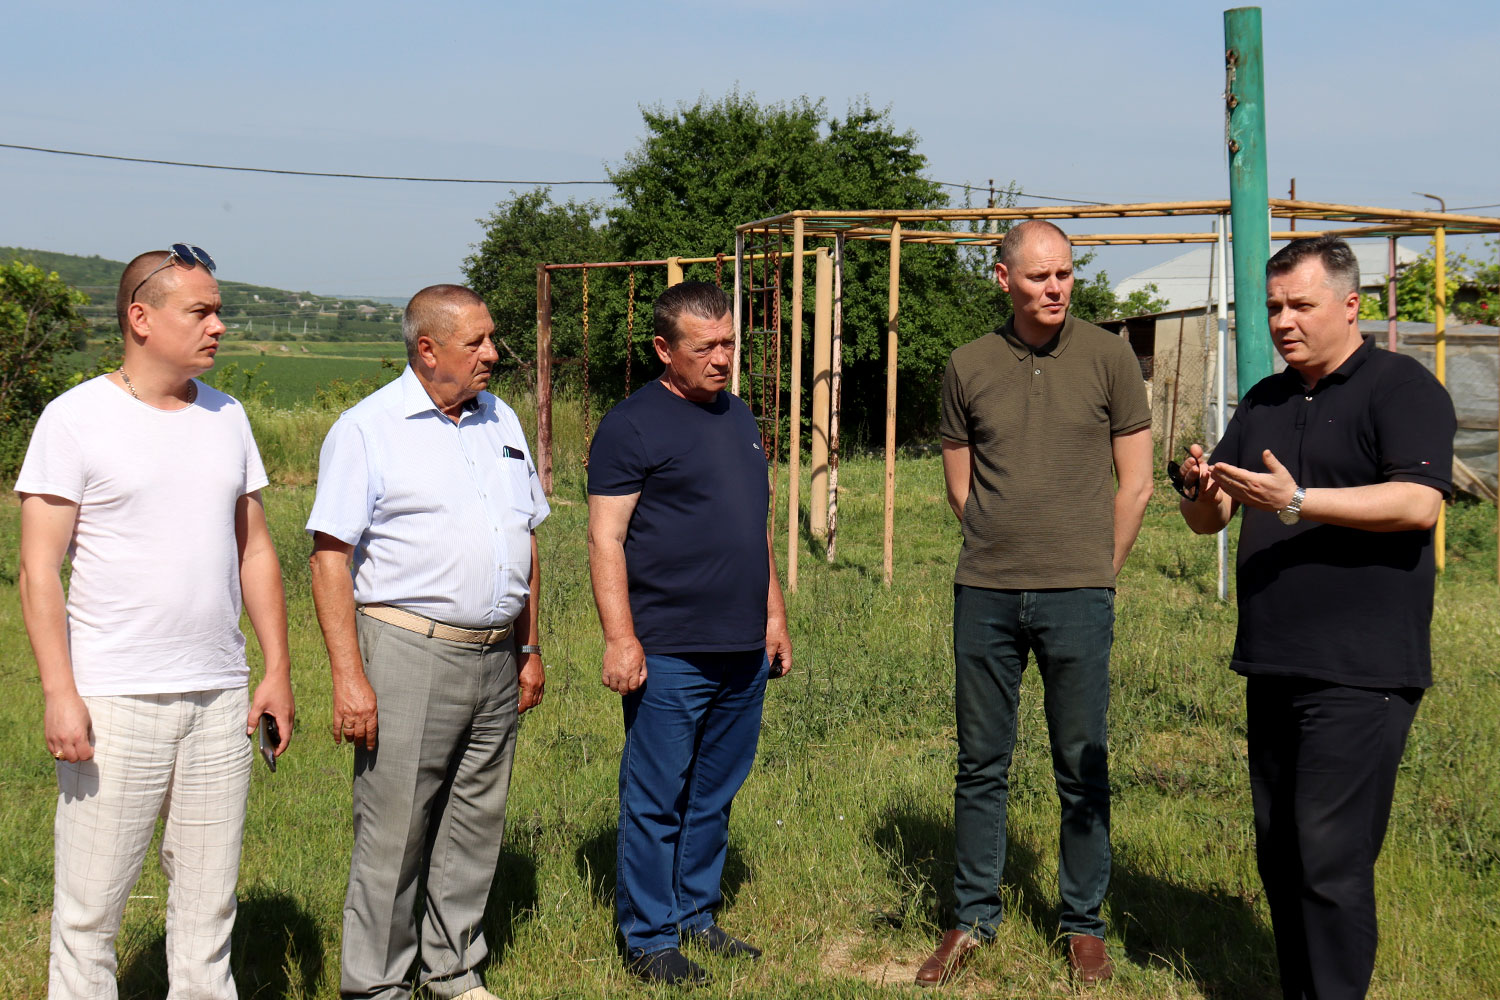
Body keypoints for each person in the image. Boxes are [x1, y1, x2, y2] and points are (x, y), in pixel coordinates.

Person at [1176, 236, 1453, 1000]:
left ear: (1350, 305)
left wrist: (1299, 500)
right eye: (1274, 307)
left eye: (1301, 304)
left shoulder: (1401, 388)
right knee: (1283, 855)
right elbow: (1212, 520)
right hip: (1274, 660)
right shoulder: (1264, 400)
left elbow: (1418, 502)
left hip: (1362, 669)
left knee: (1330, 860)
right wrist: (1200, 490)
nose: (1284, 321)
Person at [16, 245, 294, 999]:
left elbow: (255, 549)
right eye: (201, 311)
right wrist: (59, 692)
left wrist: (275, 669)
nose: (219, 326)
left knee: (209, 904)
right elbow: (39, 569)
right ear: (141, 317)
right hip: (114, 697)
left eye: (218, 311)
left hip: (219, 696)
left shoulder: (227, 416)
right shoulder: (75, 419)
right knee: (89, 913)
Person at [919, 220, 1153, 987]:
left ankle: (1082, 924)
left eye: (1065, 274)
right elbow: (960, 485)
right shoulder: (968, 365)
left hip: (1078, 594)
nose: (1055, 287)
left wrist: (1097, 570)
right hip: (985, 592)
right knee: (980, 762)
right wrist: (1000, 546)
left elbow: (1137, 483)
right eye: (1039, 276)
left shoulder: (1110, 357)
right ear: (1004, 280)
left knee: (1082, 764)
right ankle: (971, 918)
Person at [306, 284, 547, 1000]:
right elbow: (329, 558)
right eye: (477, 342)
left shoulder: (501, 419)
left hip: (496, 655)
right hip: (409, 651)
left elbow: (525, 536)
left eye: (491, 338)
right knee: (395, 832)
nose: (493, 353)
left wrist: (529, 648)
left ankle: (453, 972)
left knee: (475, 823)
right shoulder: (367, 429)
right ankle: (376, 986)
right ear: (428, 349)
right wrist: (349, 678)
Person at [586, 281, 793, 987]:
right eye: (705, 347)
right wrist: (621, 638)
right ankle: (648, 938)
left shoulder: (739, 417)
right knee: (656, 798)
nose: (723, 358)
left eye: (729, 343)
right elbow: (605, 538)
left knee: (713, 792)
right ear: (663, 349)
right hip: (669, 649)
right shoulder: (632, 426)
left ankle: (695, 915)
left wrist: (773, 617)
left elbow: (754, 527)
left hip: (742, 646)